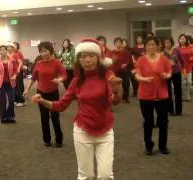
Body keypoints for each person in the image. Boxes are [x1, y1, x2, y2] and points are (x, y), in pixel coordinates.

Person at [31, 38, 123, 179]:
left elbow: (115, 101)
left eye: (91, 56)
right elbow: (61, 105)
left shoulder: (107, 76)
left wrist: (116, 91)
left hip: (105, 130)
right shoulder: (76, 81)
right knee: (86, 175)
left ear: (98, 58)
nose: (87, 60)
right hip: (82, 131)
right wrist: (43, 101)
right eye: (83, 56)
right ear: (78, 60)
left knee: (105, 175)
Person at [24, 41, 67, 148]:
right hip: (40, 94)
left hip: (53, 93)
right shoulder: (38, 64)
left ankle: (59, 139)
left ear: (50, 51)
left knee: (54, 117)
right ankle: (46, 139)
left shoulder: (57, 62)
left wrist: (59, 79)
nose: (43, 54)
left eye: (45, 51)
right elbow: (33, 78)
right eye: (41, 52)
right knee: (44, 118)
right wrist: (27, 89)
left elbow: (64, 75)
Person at [135, 36, 172, 155]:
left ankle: (163, 146)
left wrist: (167, 76)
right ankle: (148, 145)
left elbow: (169, 72)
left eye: (153, 44)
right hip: (146, 95)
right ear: (145, 47)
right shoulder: (141, 60)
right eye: (148, 45)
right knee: (148, 122)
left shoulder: (164, 59)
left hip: (162, 95)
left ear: (158, 46)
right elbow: (137, 75)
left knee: (163, 121)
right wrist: (144, 79)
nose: (150, 47)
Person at [163, 37, 183, 116]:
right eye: (165, 42)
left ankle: (179, 110)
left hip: (176, 72)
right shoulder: (162, 53)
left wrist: (184, 71)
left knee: (178, 91)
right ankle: (170, 110)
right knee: (168, 92)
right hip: (166, 74)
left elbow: (181, 61)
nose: (167, 44)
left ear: (172, 43)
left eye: (168, 42)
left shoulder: (176, 50)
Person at [111, 37, 131, 103]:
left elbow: (128, 59)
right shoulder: (112, 51)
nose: (117, 44)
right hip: (115, 70)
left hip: (123, 69)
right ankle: (114, 97)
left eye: (119, 42)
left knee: (126, 83)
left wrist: (125, 64)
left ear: (121, 43)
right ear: (114, 44)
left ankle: (126, 97)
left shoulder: (125, 51)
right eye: (116, 42)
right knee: (113, 84)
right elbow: (111, 61)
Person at [177, 34, 193, 101]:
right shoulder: (177, 49)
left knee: (189, 82)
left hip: (188, 67)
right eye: (181, 38)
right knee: (183, 82)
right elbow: (176, 59)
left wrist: (192, 59)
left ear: (186, 40)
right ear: (179, 40)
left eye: (183, 38)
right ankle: (183, 95)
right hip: (181, 68)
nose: (182, 40)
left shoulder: (189, 47)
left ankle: (188, 95)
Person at [8, 42, 24, 107]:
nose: (8, 48)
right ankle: (16, 100)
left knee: (18, 87)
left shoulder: (15, 54)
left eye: (10, 47)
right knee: (13, 87)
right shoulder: (7, 55)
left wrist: (18, 69)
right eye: (8, 47)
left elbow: (20, 62)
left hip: (16, 73)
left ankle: (21, 101)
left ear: (12, 48)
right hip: (11, 73)